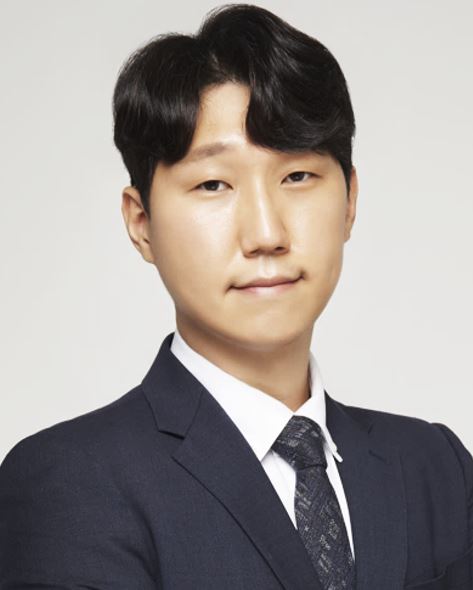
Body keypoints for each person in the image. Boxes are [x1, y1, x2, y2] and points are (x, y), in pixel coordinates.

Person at [0, 4, 471, 589]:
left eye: (297, 176)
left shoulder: (436, 467)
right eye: (213, 184)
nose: (266, 234)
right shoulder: (71, 483)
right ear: (141, 222)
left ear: (350, 200)